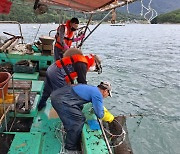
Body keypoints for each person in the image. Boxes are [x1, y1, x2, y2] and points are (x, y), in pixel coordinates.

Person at [50, 81, 117, 153]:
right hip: (61, 101)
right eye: (108, 94)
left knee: (80, 107)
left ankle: (68, 129)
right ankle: (70, 147)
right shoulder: (98, 94)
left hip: (58, 95)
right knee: (78, 121)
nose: (107, 96)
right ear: (105, 91)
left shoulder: (93, 88)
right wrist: (111, 118)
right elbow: (100, 114)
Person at [37, 48, 102, 111]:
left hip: (51, 69)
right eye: (95, 67)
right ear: (94, 62)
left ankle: (41, 105)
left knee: (48, 89)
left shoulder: (82, 59)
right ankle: (66, 114)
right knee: (63, 95)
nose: (94, 69)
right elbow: (82, 84)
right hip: (57, 73)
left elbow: (70, 73)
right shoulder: (83, 64)